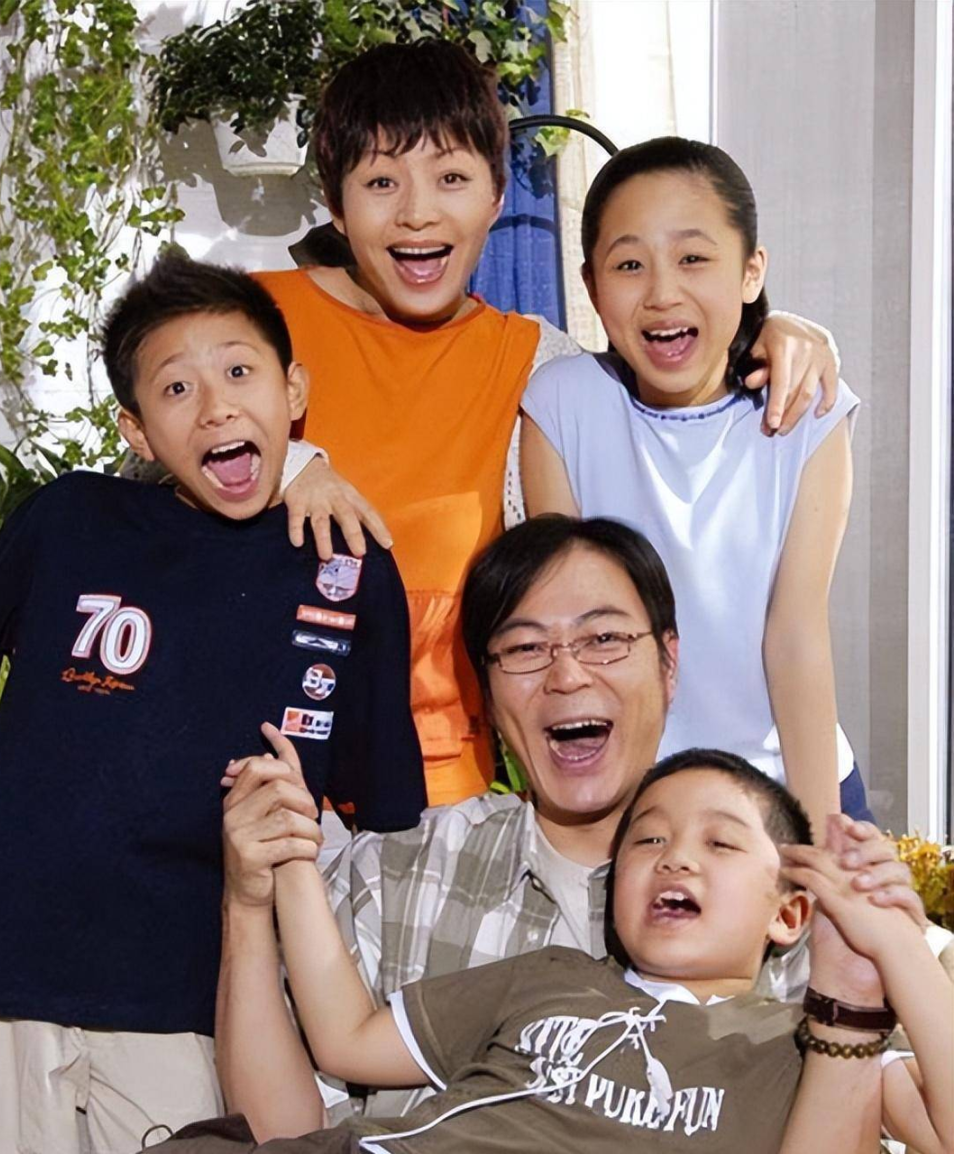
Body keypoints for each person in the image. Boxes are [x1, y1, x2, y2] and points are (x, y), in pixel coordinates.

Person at [0, 253, 425, 1154]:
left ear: (294, 392)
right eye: (177, 388)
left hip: (192, 988)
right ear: (138, 430)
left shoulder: (347, 566)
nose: (216, 406)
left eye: (239, 371)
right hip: (4, 959)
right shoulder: (71, 520)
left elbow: (378, 807)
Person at [212, 517, 930, 1138]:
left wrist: (894, 949)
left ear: (669, 662)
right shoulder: (395, 874)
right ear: (484, 689)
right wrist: (249, 902)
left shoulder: (787, 904)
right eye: (525, 649)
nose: (566, 677)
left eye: (604, 639)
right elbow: (284, 1131)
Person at [270, 40, 845, 807]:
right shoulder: (255, 323)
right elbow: (170, 427)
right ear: (336, 204)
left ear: (496, 195)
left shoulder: (536, 363)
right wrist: (292, 465)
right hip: (260, 771)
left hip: (441, 792)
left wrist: (782, 331)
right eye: (381, 182)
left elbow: (662, 356)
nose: (417, 211)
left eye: (451, 178)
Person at [155, 748, 952, 1154]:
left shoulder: (806, 1048)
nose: (676, 858)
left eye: (720, 843)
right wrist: (292, 856)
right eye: (648, 840)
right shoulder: (554, 977)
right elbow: (343, 1039)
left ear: (790, 913)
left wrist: (897, 946)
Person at [521, 137, 862, 832]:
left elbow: (795, 634)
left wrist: (818, 845)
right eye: (629, 265)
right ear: (591, 285)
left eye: (693, 259)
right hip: (634, 808)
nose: (662, 293)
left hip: (789, 787)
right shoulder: (562, 404)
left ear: (751, 271)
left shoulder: (806, 410)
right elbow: (572, 638)